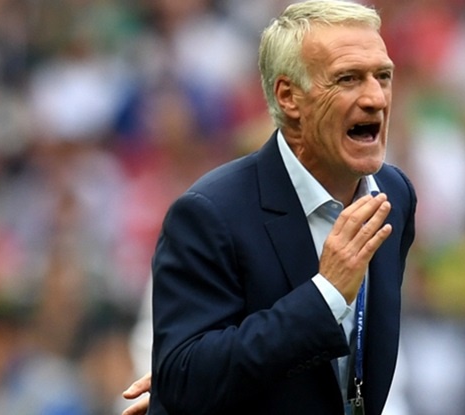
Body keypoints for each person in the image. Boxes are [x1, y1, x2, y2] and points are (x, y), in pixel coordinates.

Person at [121, 0, 416, 414]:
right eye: (348, 79)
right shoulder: (210, 214)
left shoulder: (395, 195)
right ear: (288, 97)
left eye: (382, 76)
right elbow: (186, 378)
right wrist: (325, 296)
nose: (375, 98)